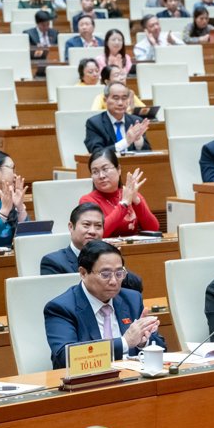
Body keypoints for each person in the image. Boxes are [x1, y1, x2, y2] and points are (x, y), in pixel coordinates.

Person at [45, 240, 163, 369]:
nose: (114, 281)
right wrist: (125, 342)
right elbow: (65, 357)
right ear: (83, 273)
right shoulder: (61, 308)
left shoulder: (132, 299)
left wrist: (143, 342)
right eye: (105, 274)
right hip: (87, 384)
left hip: (131, 379)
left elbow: (162, 347)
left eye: (119, 274)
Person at [40, 202, 145, 291]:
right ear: (71, 227)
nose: (92, 231)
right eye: (86, 225)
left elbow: (136, 286)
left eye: (98, 226)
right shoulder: (53, 262)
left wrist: (115, 264)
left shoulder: (106, 257)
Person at [79, 148, 159, 237]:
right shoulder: (87, 201)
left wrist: (136, 201)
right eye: (95, 172)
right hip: (104, 250)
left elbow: (153, 229)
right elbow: (98, 233)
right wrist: (124, 204)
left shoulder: (130, 194)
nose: (101, 176)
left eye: (105, 169)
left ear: (119, 169)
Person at [84, 82, 151, 153]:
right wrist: (126, 142)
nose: (120, 103)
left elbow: (148, 153)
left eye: (124, 98)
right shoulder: (94, 123)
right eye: (116, 98)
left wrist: (138, 142)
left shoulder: (135, 121)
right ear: (105, 100)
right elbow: (96, 152)